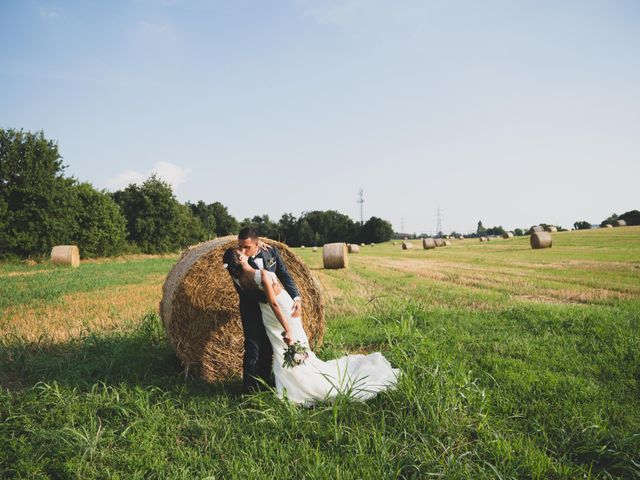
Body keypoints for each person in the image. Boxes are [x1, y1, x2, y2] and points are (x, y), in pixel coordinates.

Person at [223, 246, 399, 406]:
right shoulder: (260, 274)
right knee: (296, 345)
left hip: (267, 316)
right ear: (239, 259)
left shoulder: (237, 278)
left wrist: (257, 245)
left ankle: (288, 385)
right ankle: (309, 383)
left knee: (280, 350)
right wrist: (288, 328)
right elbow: (275, 303)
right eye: (241, 252)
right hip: (280, 311)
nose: (244, 252)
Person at [222, 227, 302, 393]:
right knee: (253, 347)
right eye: (240, 246)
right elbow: (233, 257)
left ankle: (265, 382)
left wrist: (296, 298)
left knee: (270, 345)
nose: (242, 250)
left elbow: (284, 274)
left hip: (272, 308)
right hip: (251, 307)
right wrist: (246, 255)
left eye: (247, 247)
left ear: (257, 244)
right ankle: (249, 389)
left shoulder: (270, 251)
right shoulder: (236, 260)